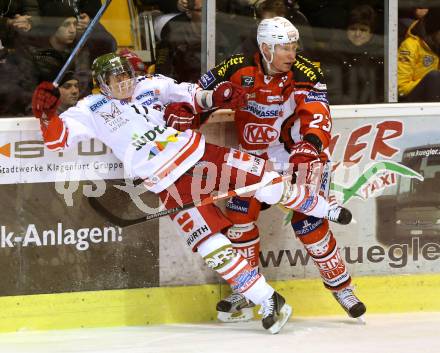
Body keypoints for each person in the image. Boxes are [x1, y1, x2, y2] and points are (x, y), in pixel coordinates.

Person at [32, 52, 351, 333]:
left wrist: (220, 94)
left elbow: (196, 96)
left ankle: (323, 208)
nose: (124, 83)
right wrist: (46, 114)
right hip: (165, 180)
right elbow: (56, 141)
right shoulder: (91, 108)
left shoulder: (152, 84)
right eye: (115, 79)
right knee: (212, 246)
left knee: (264, 182)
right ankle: (268, 300)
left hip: (198, 153)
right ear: (101, 83)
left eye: (126, 76)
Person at [193, 16, 366, 322]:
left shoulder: (305, 72)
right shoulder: (234, 68)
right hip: (255, 162)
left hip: (299, 156)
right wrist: (182, 121)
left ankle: (342, 287)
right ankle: (249, 290)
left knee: (308, 225)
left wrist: (309, 146)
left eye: (293, 46)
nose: (292, 53)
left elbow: (318, 116)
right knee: (239, 217)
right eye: (284, 47)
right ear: (265, 48)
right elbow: (195, 98)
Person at [398, 7, 440, 102]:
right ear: (434, 31)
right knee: (434, 77)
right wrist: (427, 83)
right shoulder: (411, 45)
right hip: (412, 101)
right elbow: (401, 87)